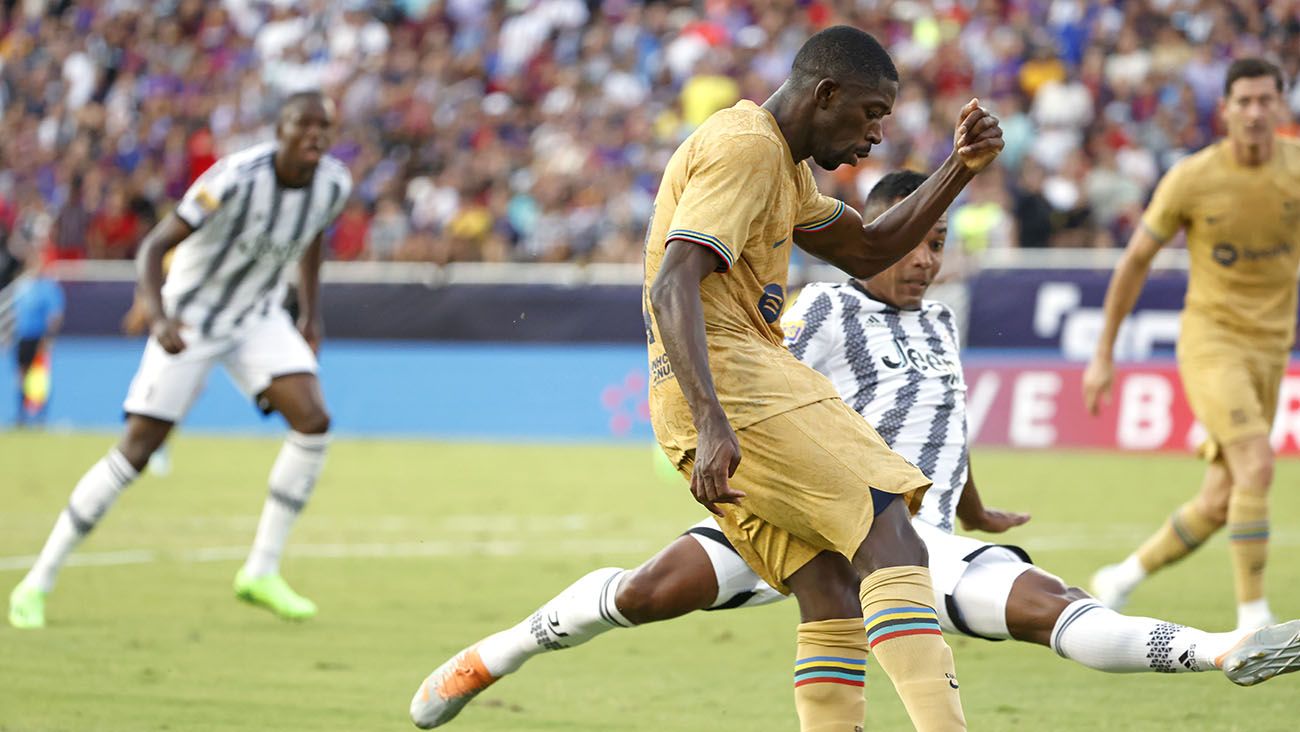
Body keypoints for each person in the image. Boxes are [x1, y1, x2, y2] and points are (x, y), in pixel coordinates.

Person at [406, 171, 1300, 729]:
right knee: (646, 594)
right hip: (797, 513)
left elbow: (943, 421)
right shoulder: (826, 310)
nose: (925, 258)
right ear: (873, 241)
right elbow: (756, 382)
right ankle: (497, 653)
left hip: (916, 532)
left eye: (939, 243)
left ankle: (1218, 650)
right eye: (913, 240)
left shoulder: (946, 323)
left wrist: (975, 503)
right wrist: (712, 440)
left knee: (1047, 607)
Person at [412, 26, 1005, 732]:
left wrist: (960, 169)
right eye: (872, 113)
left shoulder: (782, 167)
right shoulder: (747, 146)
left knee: (829, 587)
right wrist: (715, 417)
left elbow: (869, 246)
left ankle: (496, 654)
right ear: (826, 94)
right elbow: (674, 284)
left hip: (715, 389)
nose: (877, 134)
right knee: (889, 533)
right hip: (736, 378)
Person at [8, 91, 353, 629]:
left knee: (314, 422)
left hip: (257, 318)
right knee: (136, 452)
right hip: (190, 320)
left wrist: (310, 313)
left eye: (324, 128)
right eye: (303, 125)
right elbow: (153, 246)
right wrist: (160, 314)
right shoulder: (233, 179)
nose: (315, 136)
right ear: (279, 131)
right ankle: (37, 581)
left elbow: (311, 238)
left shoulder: (334, 183)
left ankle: (260, 571)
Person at [1083, 58, 1298, 633]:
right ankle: (1253, 619)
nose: (1254, 112)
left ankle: (1121, 577)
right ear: (1224, 110)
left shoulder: (1296, 170)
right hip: (1212, 342)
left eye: (1264, 101)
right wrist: (1104, 352)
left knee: (1223, 498)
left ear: (1280, 105)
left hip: (1273, 349)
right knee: (1257, 462)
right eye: (1243, 102)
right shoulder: (1192, 178)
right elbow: (1135, 262)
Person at [10, 248, 65, 425]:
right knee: (21, 375)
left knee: (39, 377)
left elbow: (55, 315)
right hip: (22, 337)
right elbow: (16, 313)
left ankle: (41, 416)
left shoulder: (48, 287)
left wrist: (48, 337)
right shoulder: (22, 286)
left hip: (38, 337)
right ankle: (21, 415)